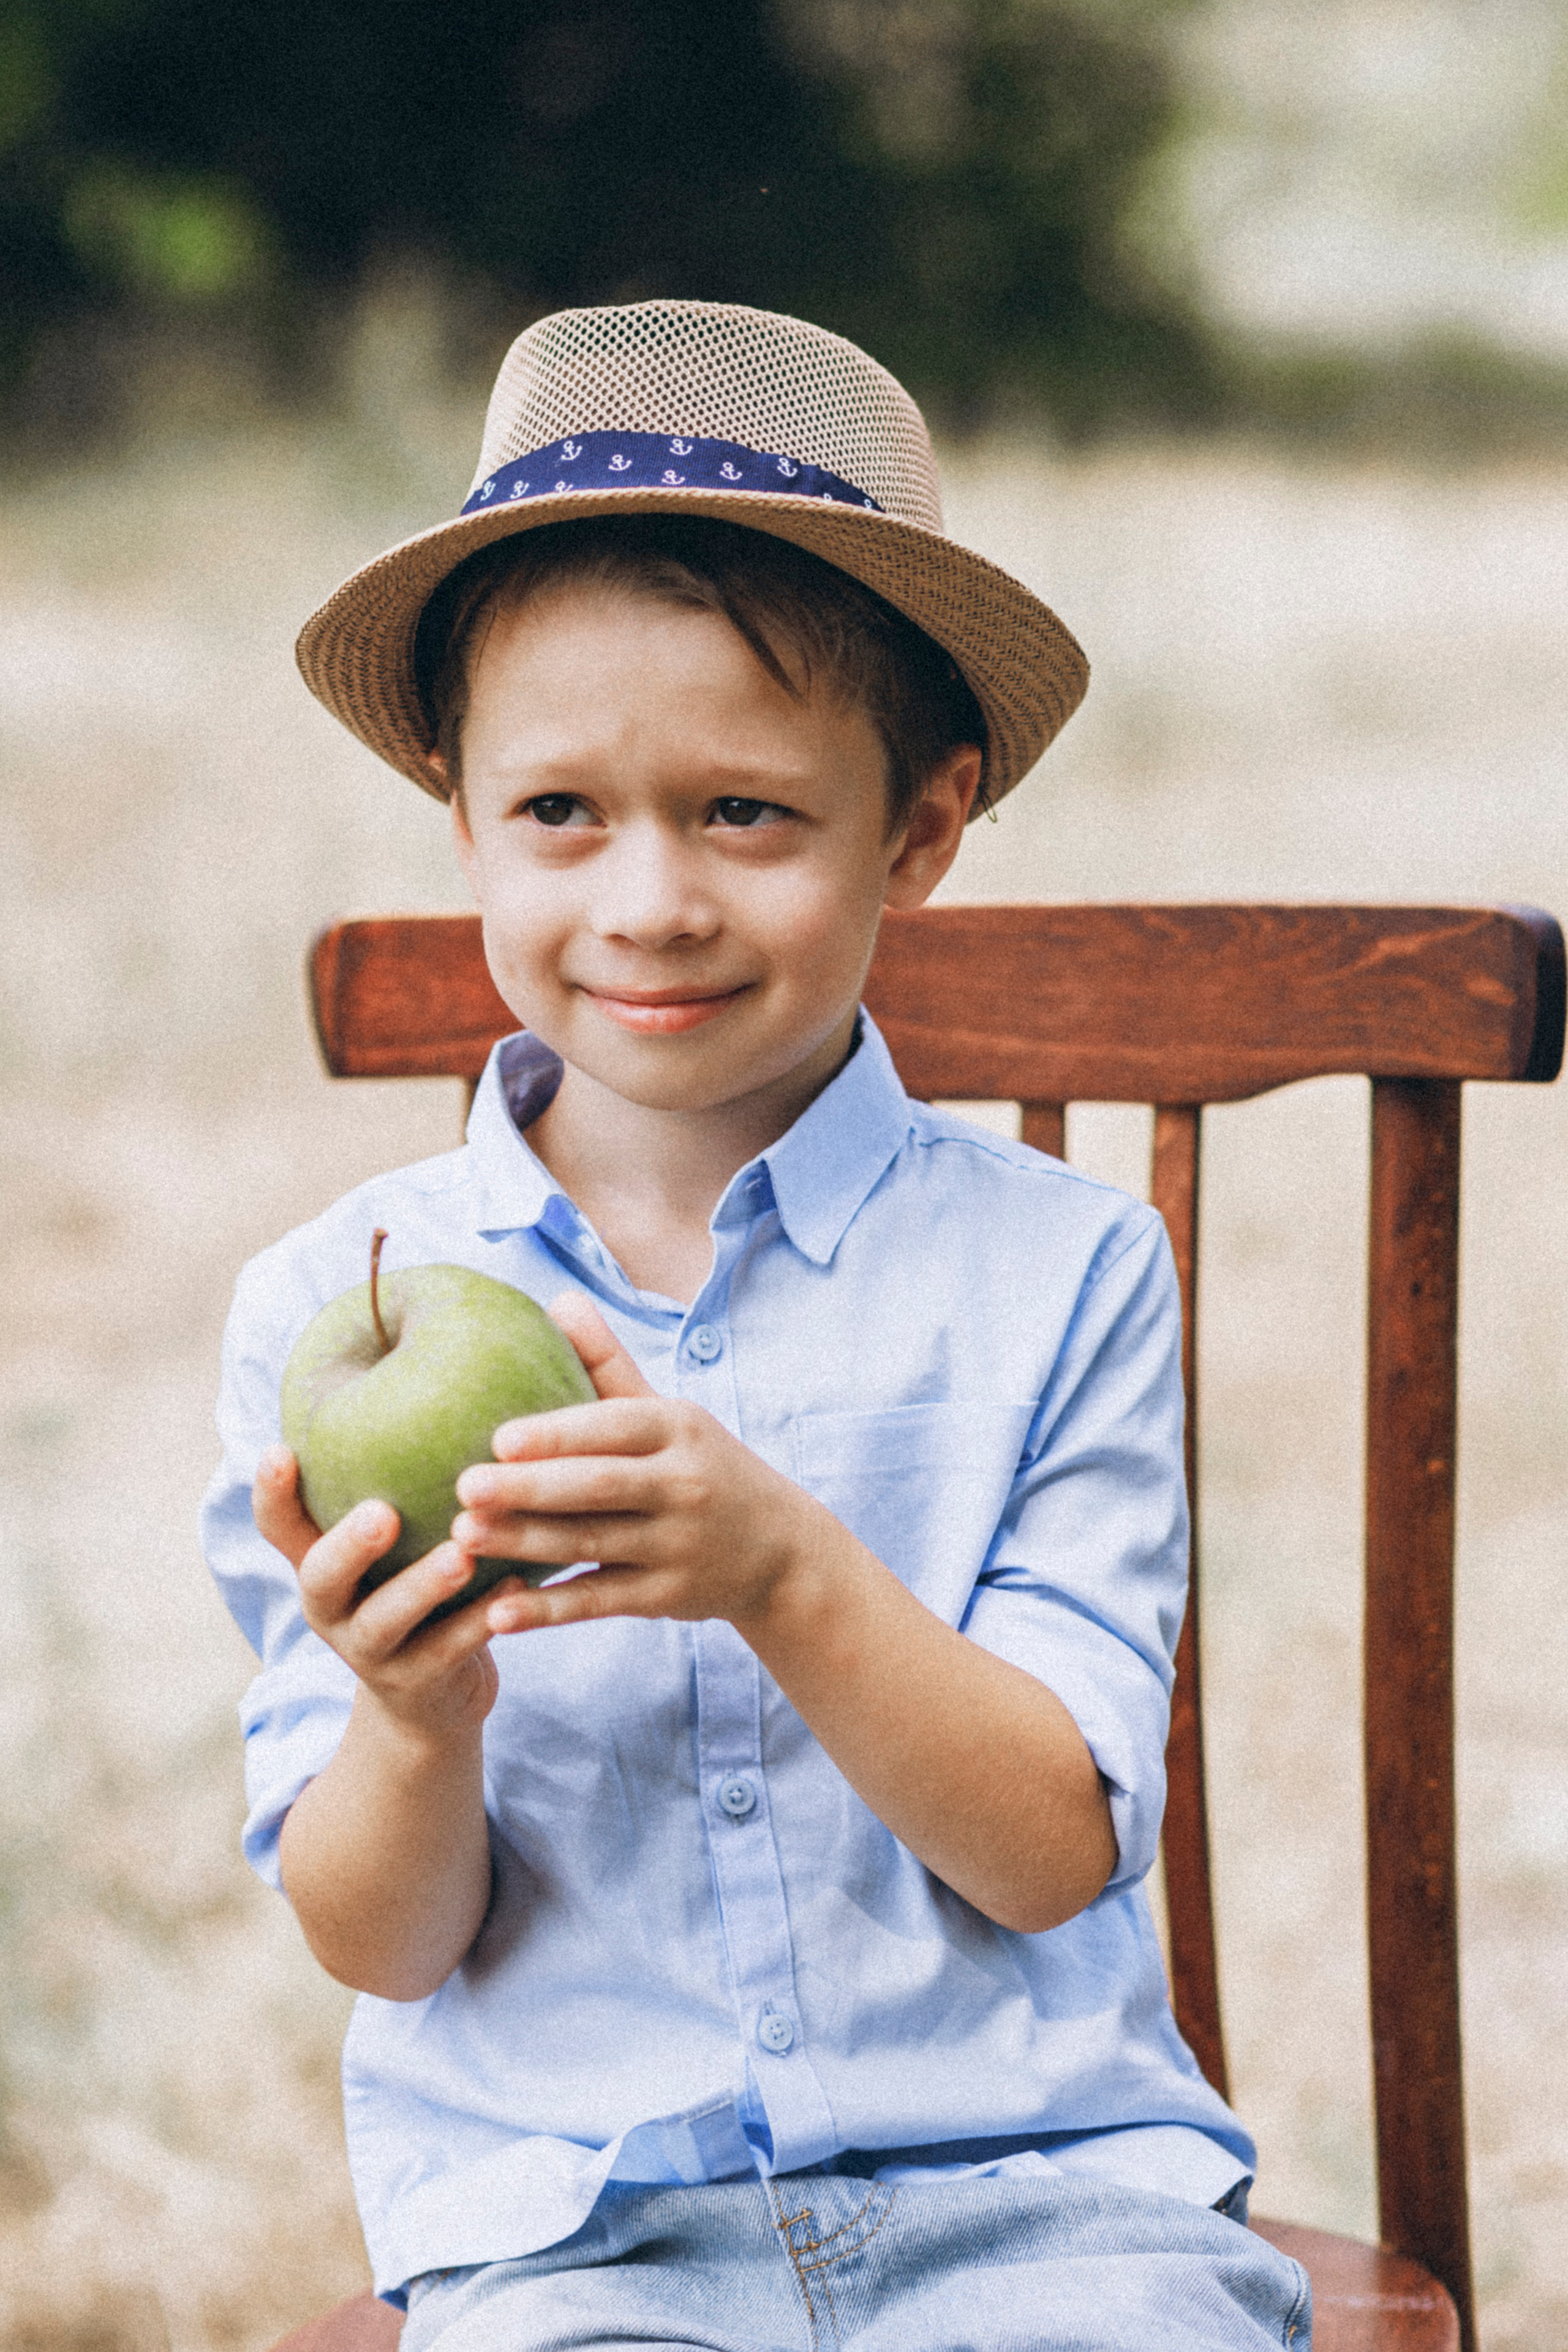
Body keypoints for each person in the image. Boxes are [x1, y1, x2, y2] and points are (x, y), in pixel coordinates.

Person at [202, 300, 1310, 2351]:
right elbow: (378, 1940)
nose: (647, 903)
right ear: (458, 811)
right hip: (570, 2247)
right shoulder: (315, 1309)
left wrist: (784, 1567)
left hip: (1048, 2211)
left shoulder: (1066, 1275)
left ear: (923, 823)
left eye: (744, 815)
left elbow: (1053, 1853)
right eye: (560, 815)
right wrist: (418, 1715)